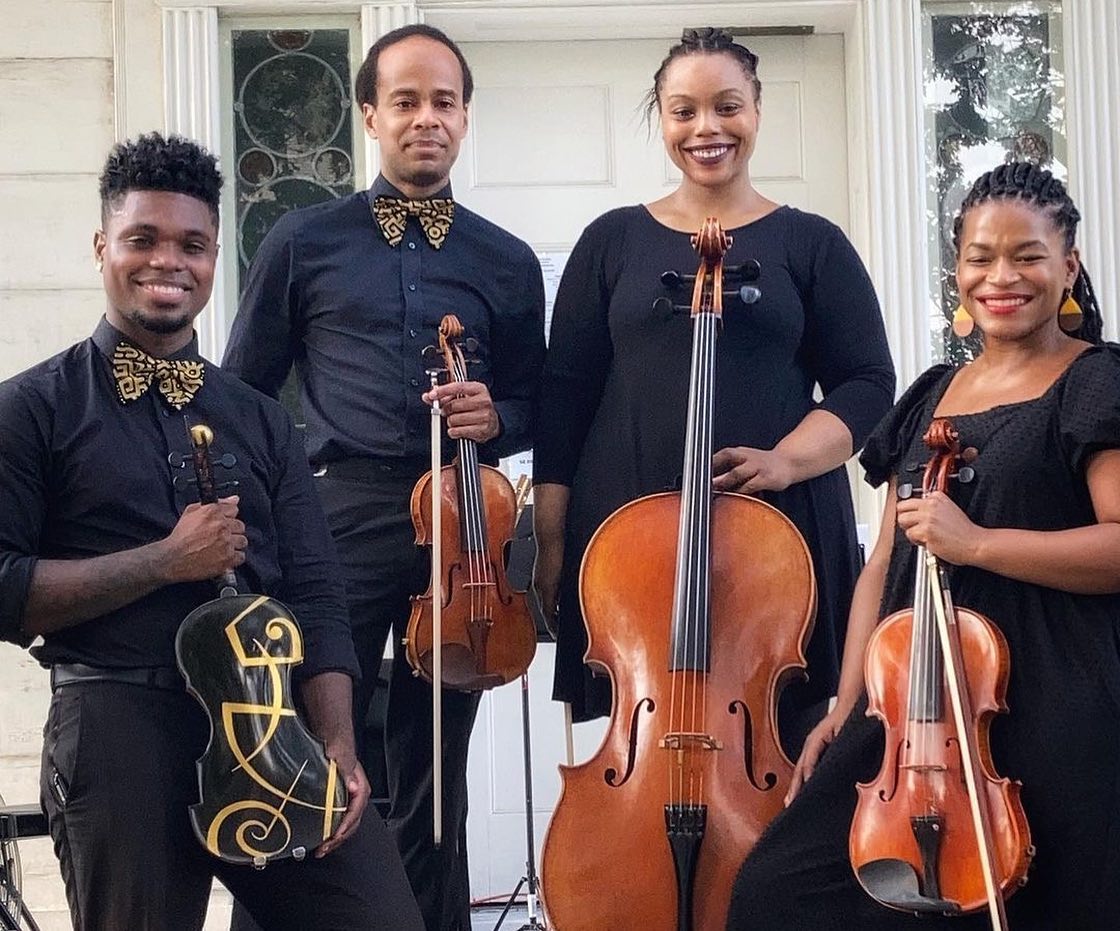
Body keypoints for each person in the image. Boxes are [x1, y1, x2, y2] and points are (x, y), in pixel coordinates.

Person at [0, 133, 423, 930]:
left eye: (192, 244)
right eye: (143, 239)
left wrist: (337, 739)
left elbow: (318, 591)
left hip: (272, 727)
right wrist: (163, 561)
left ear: (214, 258)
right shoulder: (32, 408)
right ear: (102, 247)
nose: (169, 261)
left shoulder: (260, 417)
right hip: (119, 725)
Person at [726, 161, 1120, 930]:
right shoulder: (931, 394)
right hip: (912, 715)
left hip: (1056, 700)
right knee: (776, 892)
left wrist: (977, 543)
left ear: (1067, 267)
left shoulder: (1094, 381)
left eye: (1026, 256)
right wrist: (846, 702)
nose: (1000, 276)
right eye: (980, 257)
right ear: (957, 271)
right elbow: (884, 566)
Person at [222, 24, 546, 931]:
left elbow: (536, 401)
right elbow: (245, 394)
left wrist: (499, 418)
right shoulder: (302, 239)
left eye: (443, 101)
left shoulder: (507, 261)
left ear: (466, 117)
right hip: (338, 516)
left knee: (435, 764)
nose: (425, 119)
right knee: (314, 743)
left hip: (465, 526)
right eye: (404, 100)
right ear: (370, 114)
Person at [532, 27, 895, 749]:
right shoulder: (611, 241)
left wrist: (786, 460)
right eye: (684, 110)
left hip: (776, 541)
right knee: (644, 745)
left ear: (757, 110)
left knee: (782, 742)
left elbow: (869, 383)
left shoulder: (811, 243)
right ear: (662, 120)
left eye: (727, 106)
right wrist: (551, 542)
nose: (707, 128)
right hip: (629, 543)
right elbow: (564, 395)